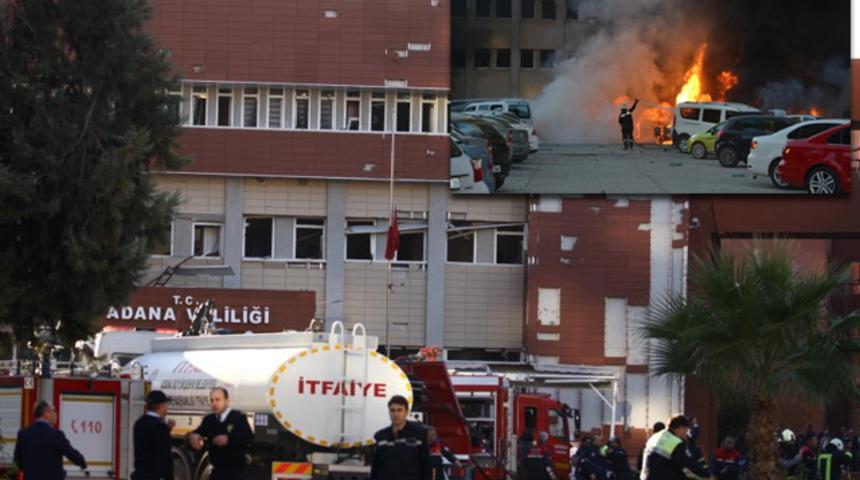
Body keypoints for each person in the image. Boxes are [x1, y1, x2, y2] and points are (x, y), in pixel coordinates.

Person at [187, 387, 253, 480]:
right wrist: (192, 436)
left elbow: (249, 437)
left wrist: (228, 439)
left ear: (227, 401)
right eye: (212, 400)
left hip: (236, 473)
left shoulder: (238, 417)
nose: (214, 403)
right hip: (217, 472)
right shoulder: (209, 420)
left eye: (218, 400)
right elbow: (198, 433)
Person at [13, 400, 87, 479]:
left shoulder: (23, 434)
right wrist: (82, 463)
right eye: (54, 411)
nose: (56, 414)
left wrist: (29, 470)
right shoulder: (56, 435)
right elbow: (72, 454)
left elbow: (18, 459)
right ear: (46, 413)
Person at [370, 395, 431, 480]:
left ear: (406, 412)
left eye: (399, 410)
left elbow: (426, 467)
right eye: (392, 410)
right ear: (389, 412)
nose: (395, 414)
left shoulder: (419, 435)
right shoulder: (380, 436)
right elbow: (375, 469)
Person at [643, 414, 710, 480]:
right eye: (685, 430)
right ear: (681, 428)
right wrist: (707, 475)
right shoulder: (675, 442)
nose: (685, 434)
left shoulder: (655, 436)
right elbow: (689, 464)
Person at [132, 390, 174, 480]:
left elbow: (148, 442)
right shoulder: (160, 427)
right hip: (154, 475)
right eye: (165, 404)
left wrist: (166, 430)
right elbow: (164, 456)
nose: (166, 408)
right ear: (160, 406)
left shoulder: (139, 423)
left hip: (140, 475)